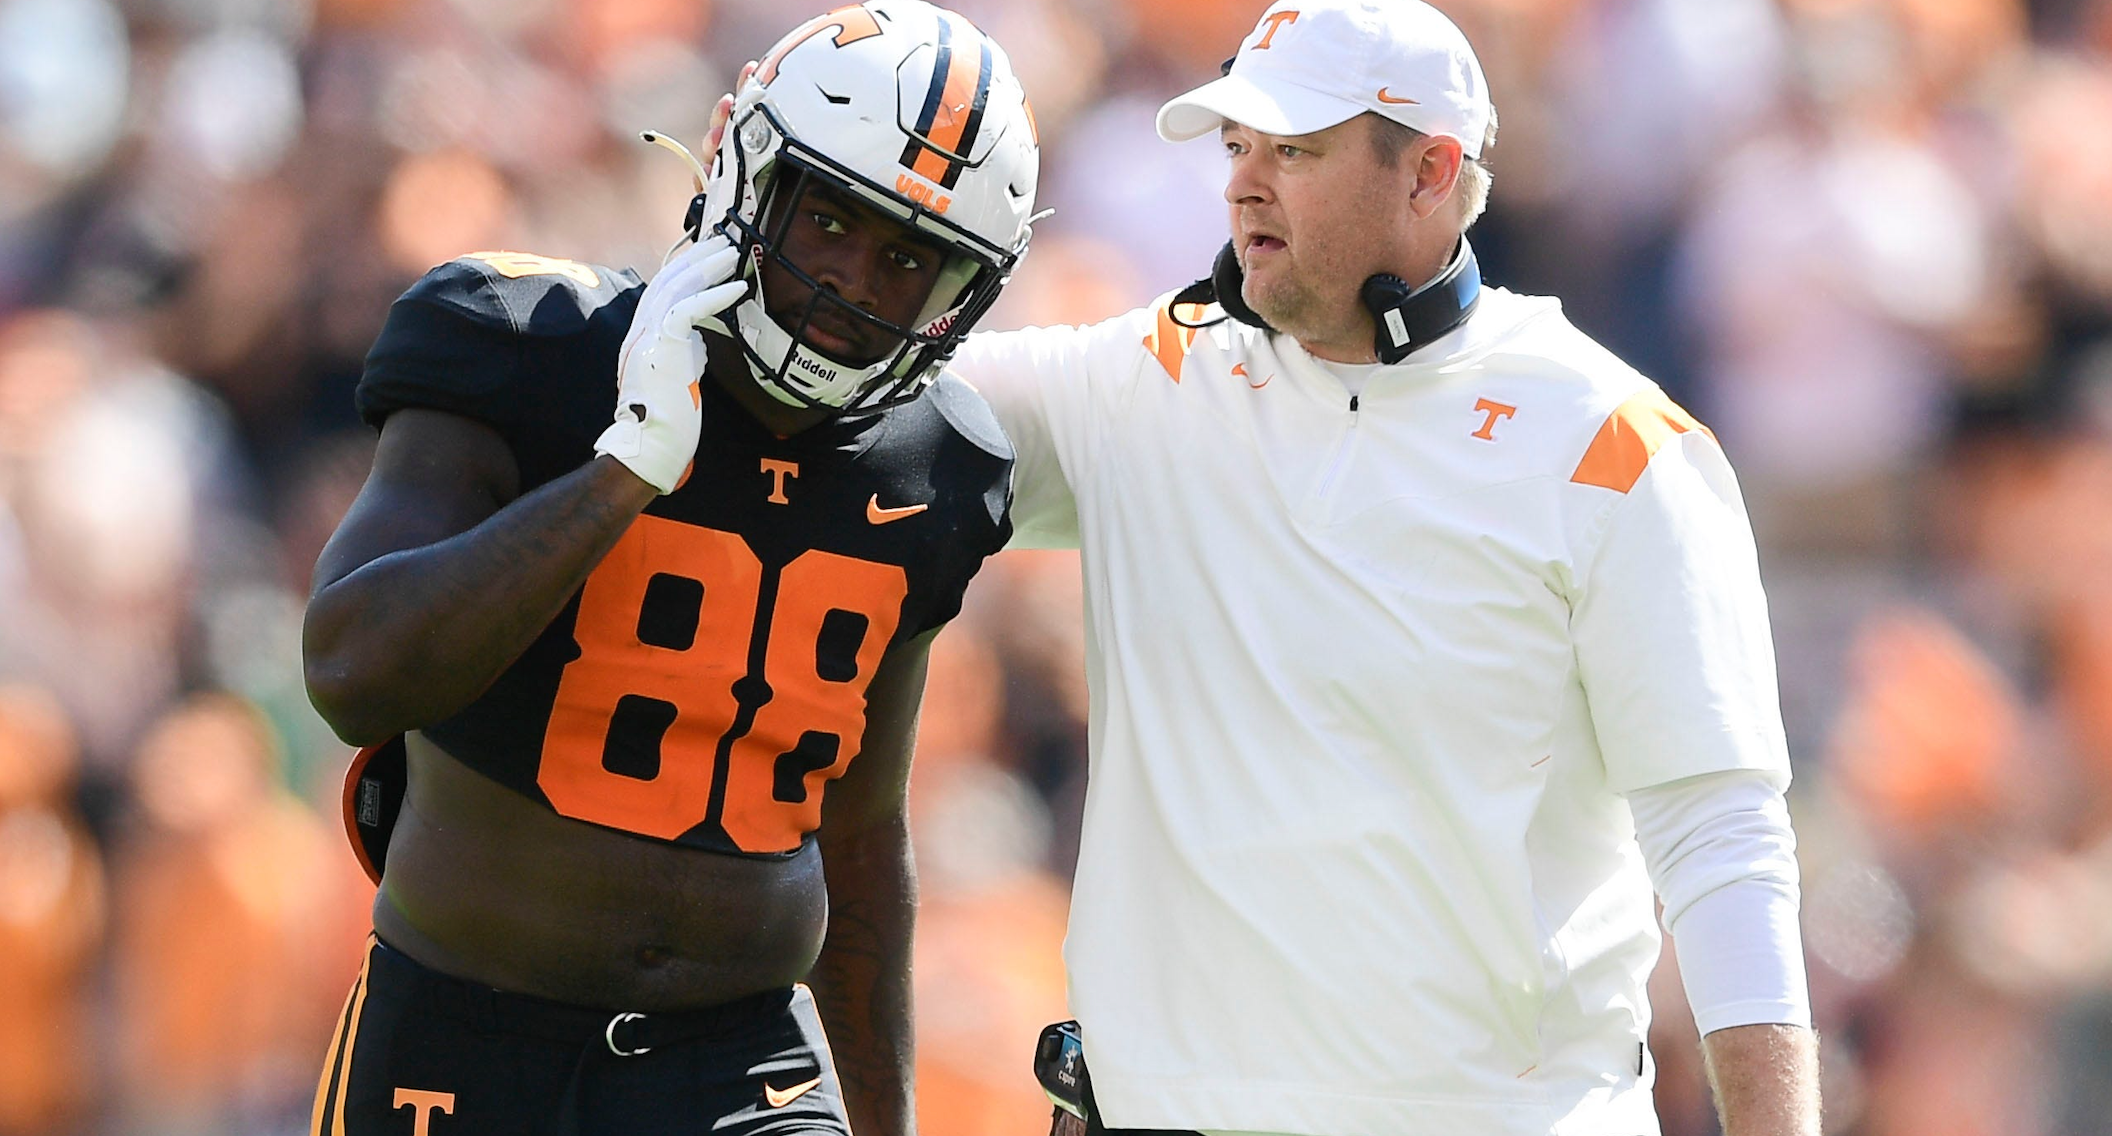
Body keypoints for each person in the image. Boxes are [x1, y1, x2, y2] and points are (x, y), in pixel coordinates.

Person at [952, 2, 1820, 1134]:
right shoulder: (1144, 379)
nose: (1242, 184)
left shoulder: (1609, 442)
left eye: (1295, 151)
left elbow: (1722, 841)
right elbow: (860, 405)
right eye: (1238, 146)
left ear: (1430, 172)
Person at [299, 3, 1039, 1134]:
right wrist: (623, 473)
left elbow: (858, 830)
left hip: (740, 1064)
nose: (852, 282)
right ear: (744, 165)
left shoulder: (939, 463)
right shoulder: (526, 343)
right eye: (828, 219)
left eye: (907, 260)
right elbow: (354, 674)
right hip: (466, 1030)